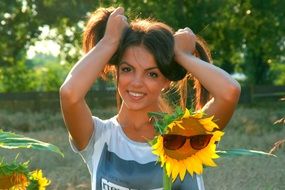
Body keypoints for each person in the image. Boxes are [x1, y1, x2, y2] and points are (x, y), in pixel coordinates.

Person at [60, 6, 241, 190]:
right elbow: (69, 94)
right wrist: (109, 41)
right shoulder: (98, 137)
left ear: (166, 81)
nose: (137, 83)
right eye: (127, 69)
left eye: (152, 74)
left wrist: (180, 54)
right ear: (117, 73)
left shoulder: (187, 137)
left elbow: (229, 92)